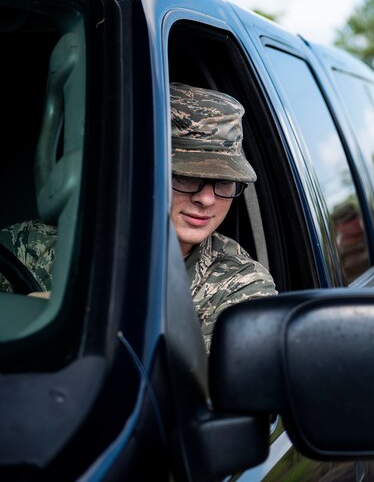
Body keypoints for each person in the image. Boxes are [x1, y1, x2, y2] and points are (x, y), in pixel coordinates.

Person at [0, 83, 277, 350]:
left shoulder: (239, 283)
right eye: (184, 176)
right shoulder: (27, 246)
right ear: (141, 170)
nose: (205, 198)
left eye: (224, 181)